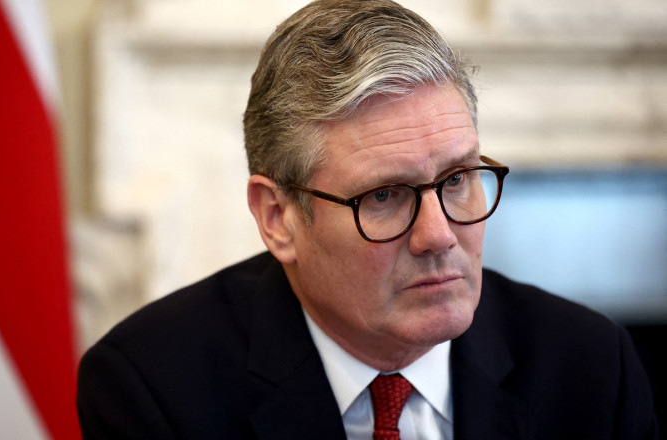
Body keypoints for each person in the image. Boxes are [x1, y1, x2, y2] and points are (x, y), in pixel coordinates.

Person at [76, 0, 658, 438]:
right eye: (384, 196)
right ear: (278, 217)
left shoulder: (591, 367)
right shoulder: (153, 389)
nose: (438, 236)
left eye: (457, 180)